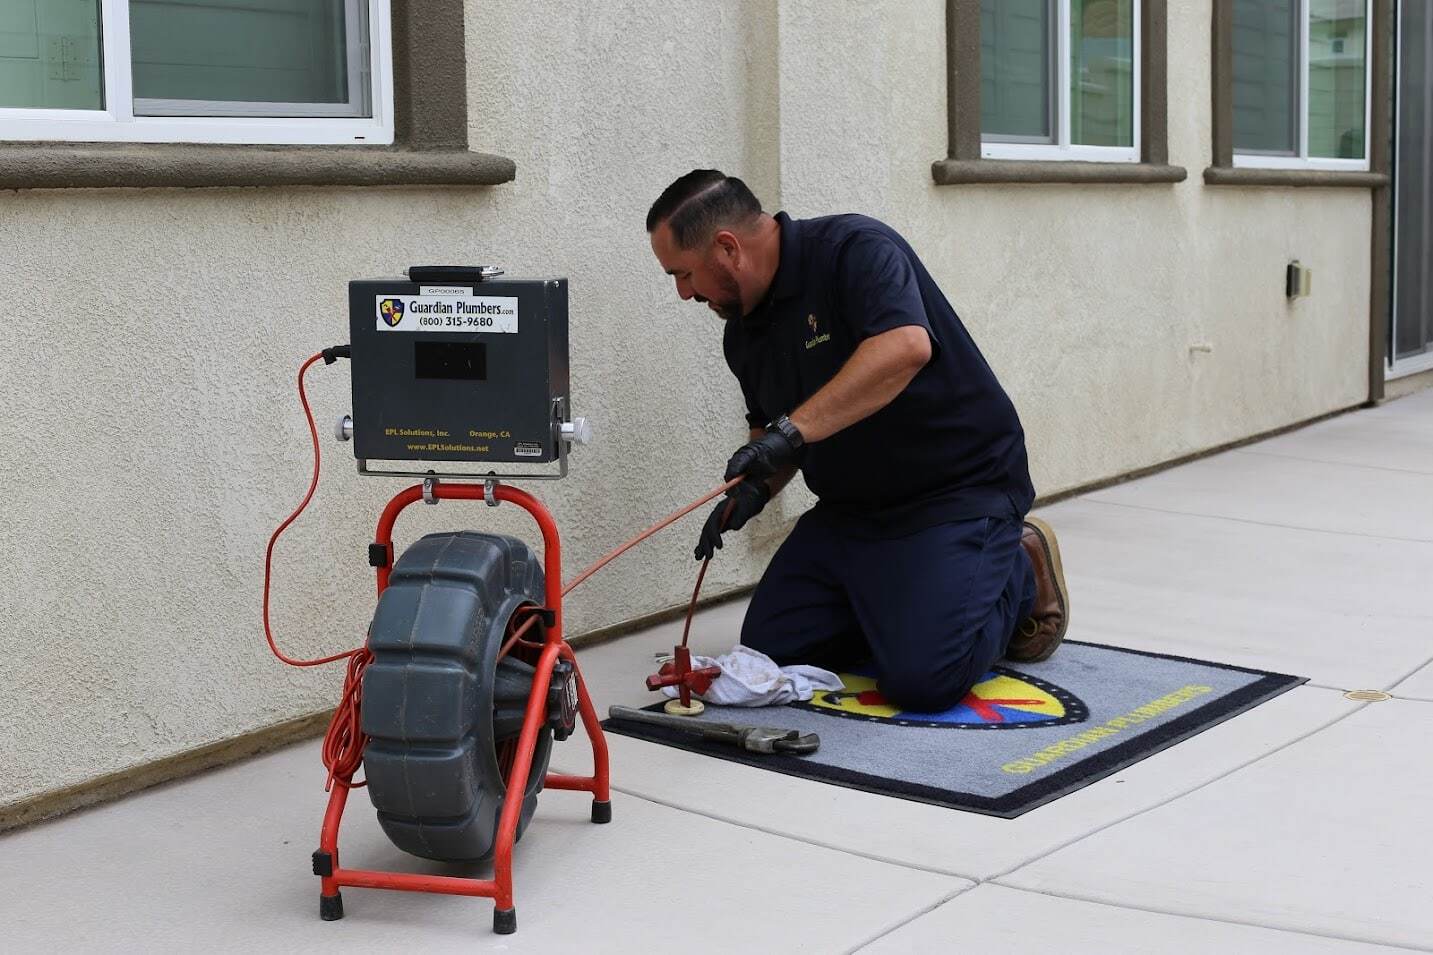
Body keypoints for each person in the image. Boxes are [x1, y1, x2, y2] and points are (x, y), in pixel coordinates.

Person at [646, 169, 1069, 712]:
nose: (684, 294)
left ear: (727, 248)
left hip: (955, 493)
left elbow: (904, 347)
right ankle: (911, 601)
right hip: (850, 512)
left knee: (923, 681)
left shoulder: (854, 251)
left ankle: (1017, 567)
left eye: (683, 274)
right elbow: (774, 431)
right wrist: (752, 490)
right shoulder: (742, 332)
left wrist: (788, 433)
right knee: (768, 652)